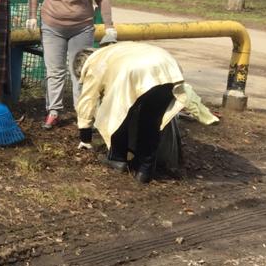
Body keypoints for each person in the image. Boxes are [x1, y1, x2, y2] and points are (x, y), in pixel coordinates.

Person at [26, 0, 116, 129]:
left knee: (81, 72)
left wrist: (109, 26)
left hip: (81, 27)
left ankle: (83, 113)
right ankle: (53, 111)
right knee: (55, 71)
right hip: (52, 26)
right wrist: (32, 15)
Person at [73, 40, 188, 184]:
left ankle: (117, 159)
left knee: (117, 113)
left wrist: (85, 137)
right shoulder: (114, 51)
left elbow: (87, 101)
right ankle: (144, 171)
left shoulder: (94, 64)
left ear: (81, 67)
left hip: (136, 71)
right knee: (151, 121)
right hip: (169, 67)